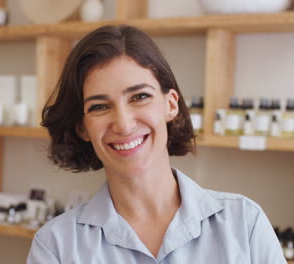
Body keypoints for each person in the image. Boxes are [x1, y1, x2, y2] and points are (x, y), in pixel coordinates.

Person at [27, 25, 285, 263]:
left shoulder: (244, 224)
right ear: (82, 127)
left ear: (170, 104)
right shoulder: (56, 246)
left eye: (139, 96)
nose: (124, 124)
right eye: (99, 106)